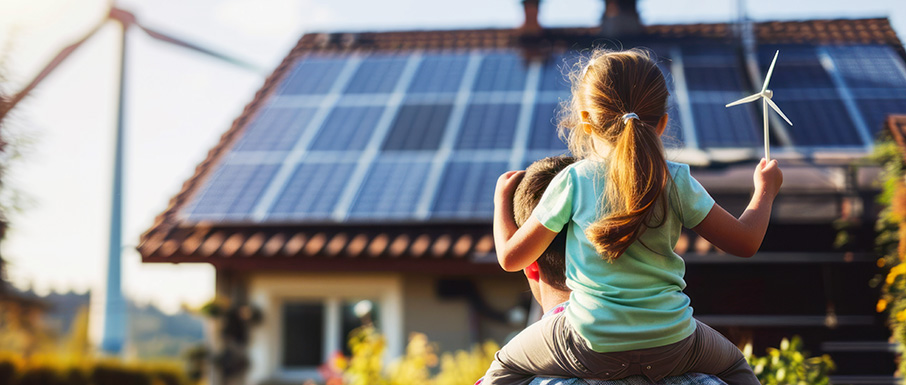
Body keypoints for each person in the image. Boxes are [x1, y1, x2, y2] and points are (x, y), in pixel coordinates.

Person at [485, 48, 783, 385]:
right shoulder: (677, 180)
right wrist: (765, 190)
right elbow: (745, 242)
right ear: (663, 122)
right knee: (734, 369)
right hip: (673, 344)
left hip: (588, 345)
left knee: (505, 365)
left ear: (586, 120)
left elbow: (511, 258)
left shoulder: (573, 180)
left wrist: (500, 199)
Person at [499, 155, 725, 385]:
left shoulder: (528, 370)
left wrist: (501, 201)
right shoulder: (703, 370)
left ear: (531, 266)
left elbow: (508, 256)